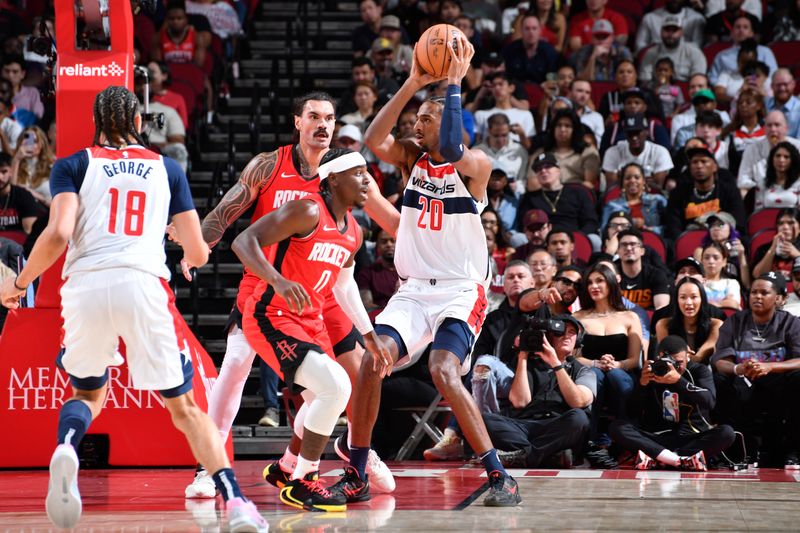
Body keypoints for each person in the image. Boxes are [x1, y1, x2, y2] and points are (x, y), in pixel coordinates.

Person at [0, 86, 267, 532]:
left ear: (96, 124)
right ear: (140, 122)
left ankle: (67, 447)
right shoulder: (168, 168)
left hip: (85, 286)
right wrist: (182, 246)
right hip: (143, 285)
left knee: (87, 394)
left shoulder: (72, 165)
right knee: (185, 410)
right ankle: (237, 503)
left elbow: (59, 233)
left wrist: (20, 283)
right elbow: (199, 253)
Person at [335, 34, 522, 506]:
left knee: (443, 369)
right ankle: (357, 468)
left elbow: (456, 148)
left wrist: (455, 83)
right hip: (414, 290)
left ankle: (499, 474)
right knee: (371, 363)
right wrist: (414, 82)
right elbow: (375, 139)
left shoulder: (474, 165)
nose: (416, 124)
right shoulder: (410, 162)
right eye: (416, 118)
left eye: (426, 116)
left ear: (450, 118)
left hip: (462, 290)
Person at [181, 91, 395, 499]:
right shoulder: (270, 165)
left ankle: (355, 450)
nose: (323, 125)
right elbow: (226, 212)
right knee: (237, 362)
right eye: (313, 116)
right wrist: (199, 247)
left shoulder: (345, 177)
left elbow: (364, 241)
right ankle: (208, 465)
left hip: (324, 289)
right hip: (270, 285)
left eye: (330, 118)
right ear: (298, 122)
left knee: (356, 371)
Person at [232, 148, 389, 512]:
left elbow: (344, 286)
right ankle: (304, 481)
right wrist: (278, 280)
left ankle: (287, 467)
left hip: (310, 321)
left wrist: (368, 334)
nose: (367, 180)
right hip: (272, 314)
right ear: (333, 178)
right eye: (358, 172)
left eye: (368, 173)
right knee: (336, 387)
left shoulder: (354, 229)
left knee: (325, 395)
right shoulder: (308, 210)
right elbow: (244, 242)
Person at [482, 315, 596, 468]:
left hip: (557, 426)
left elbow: (578, 401)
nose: (566, 336)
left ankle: (526, 456)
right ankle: (549, 454)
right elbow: (520, 402)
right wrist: (523, 355)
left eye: (571, 332)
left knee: (579, 419)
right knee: (483, 420)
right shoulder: (530, 364)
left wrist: (556, 363)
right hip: (525, 426)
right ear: (548, 337)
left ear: (578, 340)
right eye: (560, 331)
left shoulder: (583, 370)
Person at [712, 273, 800, 468]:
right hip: (745, 381)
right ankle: (739, 449)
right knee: (719, 380)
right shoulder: (734, 322)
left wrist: (770, 366)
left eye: (764, 293)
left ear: (779, 298)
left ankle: (793, 451)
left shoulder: (791, 323)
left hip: (779, 383)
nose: (757, 297)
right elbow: (720, 360)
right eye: (753, 292)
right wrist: (738, 368)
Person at [610, 335, 734, 471]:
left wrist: (679, 381)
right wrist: (642, 385)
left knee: (727, 433)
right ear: (659, 357)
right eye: (669, 362)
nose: (673, 367)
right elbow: (632, 411)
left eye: (679, 362)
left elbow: (709, 402)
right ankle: (679, 460)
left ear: (687, 357)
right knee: (617, 427)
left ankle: (661, 459)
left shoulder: (699, 371)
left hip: (691, 438)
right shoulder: (652, 371)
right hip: (657, 438)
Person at [573, 263, 643, 468]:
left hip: (622, 373)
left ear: (611, 283)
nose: (594, 286)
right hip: (589, 372)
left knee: (614, 377)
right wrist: (596, 362)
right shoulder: (578, 318)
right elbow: (573, 356)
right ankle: (591, 441)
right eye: (590, 282)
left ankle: (624, 439)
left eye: (600, 281)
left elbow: (633, 359)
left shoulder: (630, 316)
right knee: (595, 374)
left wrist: (616, 365)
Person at [517, 152, 600, 249]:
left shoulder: (578, 192)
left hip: (574, 238)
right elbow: (523, 225)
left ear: (558, 170)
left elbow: (590, 221)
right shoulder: (530, 198)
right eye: (538, 169)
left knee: (594, 239)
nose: (543, 171)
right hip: (541, 239)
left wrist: (577, 237)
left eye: (548, 167)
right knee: (518, 238)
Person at [664, 145, 746, 240]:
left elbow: (737, 222)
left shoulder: (729, 191)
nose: (699, 166)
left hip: (722, 240)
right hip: (689, 240)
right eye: (694, 162)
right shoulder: (678, 193)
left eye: (704, 161)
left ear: (715, 167)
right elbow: (673, 226)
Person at [655, 277, 724, 364]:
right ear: (677, 300)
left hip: (707, 372)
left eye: (694, 297)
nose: (688, 302)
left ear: (702, 299)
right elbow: (666, 356)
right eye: (683, 297)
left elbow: (700, 356)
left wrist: (688, 355)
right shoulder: (663, 325)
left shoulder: (716, 325)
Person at [530, 109, 600, 190]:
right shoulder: (541, 154)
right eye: (559, 125)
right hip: (545, 198)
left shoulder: (588, 152)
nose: (562, 129)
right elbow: (532, 185)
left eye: (567, 126)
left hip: (575, 197)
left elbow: (589, 184)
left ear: (575, 130)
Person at [601, 114, 674, 189]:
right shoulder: (613, 152)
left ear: (646, 132)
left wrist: (623, 178)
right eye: (630, 133)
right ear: (625, 134)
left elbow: (657, 187)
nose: (634, 137)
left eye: (638, 133)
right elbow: (612, 186)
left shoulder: (659, 151)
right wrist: (644, 180)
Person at [707, 15, 777, 85]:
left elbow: (773, 74)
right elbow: (712, 77)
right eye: (738, 27)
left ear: (751, 33)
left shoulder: (765, 52)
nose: (741, 30)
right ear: (731, 33)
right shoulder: (722, 56)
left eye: (745, 27)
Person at [474, 72, 536, 149]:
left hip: (516, 157)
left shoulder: (525, 115)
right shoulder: (481, 114)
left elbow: (529, 148)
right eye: (494, 85)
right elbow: (477, 144)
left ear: (511, 88)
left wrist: (521, 134)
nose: (497, 88)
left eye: (501, 84)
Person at [601, 163, 667, 235]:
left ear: (644, 181)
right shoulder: (612, 205)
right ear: (622, 183)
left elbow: (670, 228)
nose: (632, 180)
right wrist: (630, 223)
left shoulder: (657, 200)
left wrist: (651, 230)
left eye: (637, 177)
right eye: (628, 178)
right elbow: (605, 231)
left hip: (653, 241)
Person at [638, 17, 707, 84]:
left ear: (681, 32)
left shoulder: (695, 53)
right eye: (667, 30)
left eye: (674, 30)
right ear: (661, 32)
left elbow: (698, 82)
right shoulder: (651, 53)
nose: (670, 34)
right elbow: (645, 81)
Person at [615, 229, 670, 311]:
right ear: (618, 251)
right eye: (624, 245)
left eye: (633, 244)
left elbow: (662, 311)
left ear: (642, 251)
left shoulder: (656, 275)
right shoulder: (612, 275)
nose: (629, 248)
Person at [693, 211, 750, 288]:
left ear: (731, 228)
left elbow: (747, 284)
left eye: (721, 225)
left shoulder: (740, 249)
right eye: (712, 225)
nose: (715, 228)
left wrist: (741, 256)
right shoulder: (701, 251)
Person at [740, 141, 800, 213]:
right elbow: (758, 212)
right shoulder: (762, 183)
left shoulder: (798, 184)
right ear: (772, 159)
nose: (781, 160)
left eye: (786, 157)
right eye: (778, 156)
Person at [500, 13, 560, 85]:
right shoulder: (510, 50)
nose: (531, 32)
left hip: (541, 91)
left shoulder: (550, 52)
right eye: (527, 29)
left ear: (540, 31)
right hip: (515, 91)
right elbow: (504, 77)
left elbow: (552, 80)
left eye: (534, 28)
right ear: (521, 31)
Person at [474, 113, 529, 189]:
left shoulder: (520, 151)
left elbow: (524, 181)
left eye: (504, 135)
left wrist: (516, 187)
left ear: (509, 131)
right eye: (496, 135)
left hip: (512, 197)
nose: (500, 140)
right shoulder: (476, 152)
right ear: (488, 131)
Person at [635, 0, 706, 51]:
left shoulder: (697, 18)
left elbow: (697, 46)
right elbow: (640, 46)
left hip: (685, 59)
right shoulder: (649, 18)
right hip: (655, 58)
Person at [356, 229, 398, 313]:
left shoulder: (410, 273)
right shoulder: (366, 274)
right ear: (377, 247)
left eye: (393, 241)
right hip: (378, 319)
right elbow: (366, 304)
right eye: (384, 242)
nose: (389, 245)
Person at [752, 208, 800, 281]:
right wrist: (772, 250)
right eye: (780, 223)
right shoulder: (764, 249)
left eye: (790, 223)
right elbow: (757, 276)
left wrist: (797, 256)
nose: (785, 227)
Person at [11, 125, 54, 206]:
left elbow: (58, 203)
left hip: (46, 213)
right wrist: (16, 160)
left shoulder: (52, 166)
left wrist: (38, 196)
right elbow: (10, 195)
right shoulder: (14, 165)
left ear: (41, 144)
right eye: (26, 141)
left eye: (35, 141)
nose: (30, 145)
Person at [0, 151, 37, 235]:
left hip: (18, 245)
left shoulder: (24, 196)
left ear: (11, 172)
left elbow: (29, 232)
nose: (0, 177)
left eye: (4, 171)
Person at [1, 55, 43, 124]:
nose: (10, 75)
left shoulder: (32, 93)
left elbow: (37, 117)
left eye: (15, 72)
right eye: (7, 71)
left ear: (23, 74)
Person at [701, 242, 742, 309]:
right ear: (701, 261)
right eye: (706, 258)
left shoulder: (731, 283)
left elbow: (734, 303)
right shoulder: (696, 283)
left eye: (716, 258)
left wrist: (709, 304)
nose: (711, 261)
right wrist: (722, 303)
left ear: (724, 262)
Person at [766, 69, 800, 139]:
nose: (782, 88)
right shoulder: (763, 104)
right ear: (772, 86)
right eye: (778, 85)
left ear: (793, 84)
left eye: (785, 84)